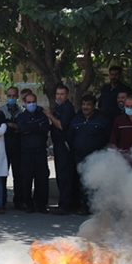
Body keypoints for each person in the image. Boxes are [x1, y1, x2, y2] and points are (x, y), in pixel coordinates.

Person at [68, 94, 111, 215]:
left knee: (97, 182)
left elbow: (109, 137)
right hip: (80, 156)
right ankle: (85, 206)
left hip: (97, 157)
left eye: (88, 104)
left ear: (94, 106)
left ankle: (98, 207)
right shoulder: (76, 119)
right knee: (83, 182)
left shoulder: (103, 119)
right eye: (84, 104)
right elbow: (70, 137)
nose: (85, 107)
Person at [44, 84, 76, 215]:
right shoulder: (59, 107)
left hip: (64, 144)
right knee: (60, 174)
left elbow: (61, 125)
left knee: (64, 175)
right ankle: (66, 203)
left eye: (62, 94)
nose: (59, 96)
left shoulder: (67, 108)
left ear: (67, 95)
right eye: (58, 94)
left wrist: (49, 115)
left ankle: (64, 205)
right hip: (58, 144)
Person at [16, 93, 51, 214]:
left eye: (33, 101)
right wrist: (36, 126)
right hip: (26, 153)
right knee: (26, 179)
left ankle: (41, 204)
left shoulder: (42, 116)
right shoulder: (21, 116)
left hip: (40, 152)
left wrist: (31, 128)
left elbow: (45, 129)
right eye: (29, 102)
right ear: (25, 103)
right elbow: (23, 129)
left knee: (42, 179)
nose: (31, 104)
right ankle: (29, 204)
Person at [0, 86, 24, 209]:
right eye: (9, 96)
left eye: (14, 96)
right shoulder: (1, 110)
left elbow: (24, 127)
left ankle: (18, 201)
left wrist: (12, 125)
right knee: (3, 174)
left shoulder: (22, 111)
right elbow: (3, 128)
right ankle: (1, 201)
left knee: (18, 175)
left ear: (17, 97)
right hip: (5, 146)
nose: (12, 98)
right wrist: (15, 127)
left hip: (18, 147)